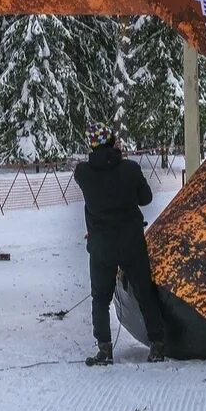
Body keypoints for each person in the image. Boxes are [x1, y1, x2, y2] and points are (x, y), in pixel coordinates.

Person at [72, 123, 166, 365]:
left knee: (100, 298)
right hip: (131, 242)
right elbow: (146, 198)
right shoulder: (131, 169)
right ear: (113, 141)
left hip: (101, 246)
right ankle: (157, 345)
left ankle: (104, 349)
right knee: (145, 293)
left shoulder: (83, 172)